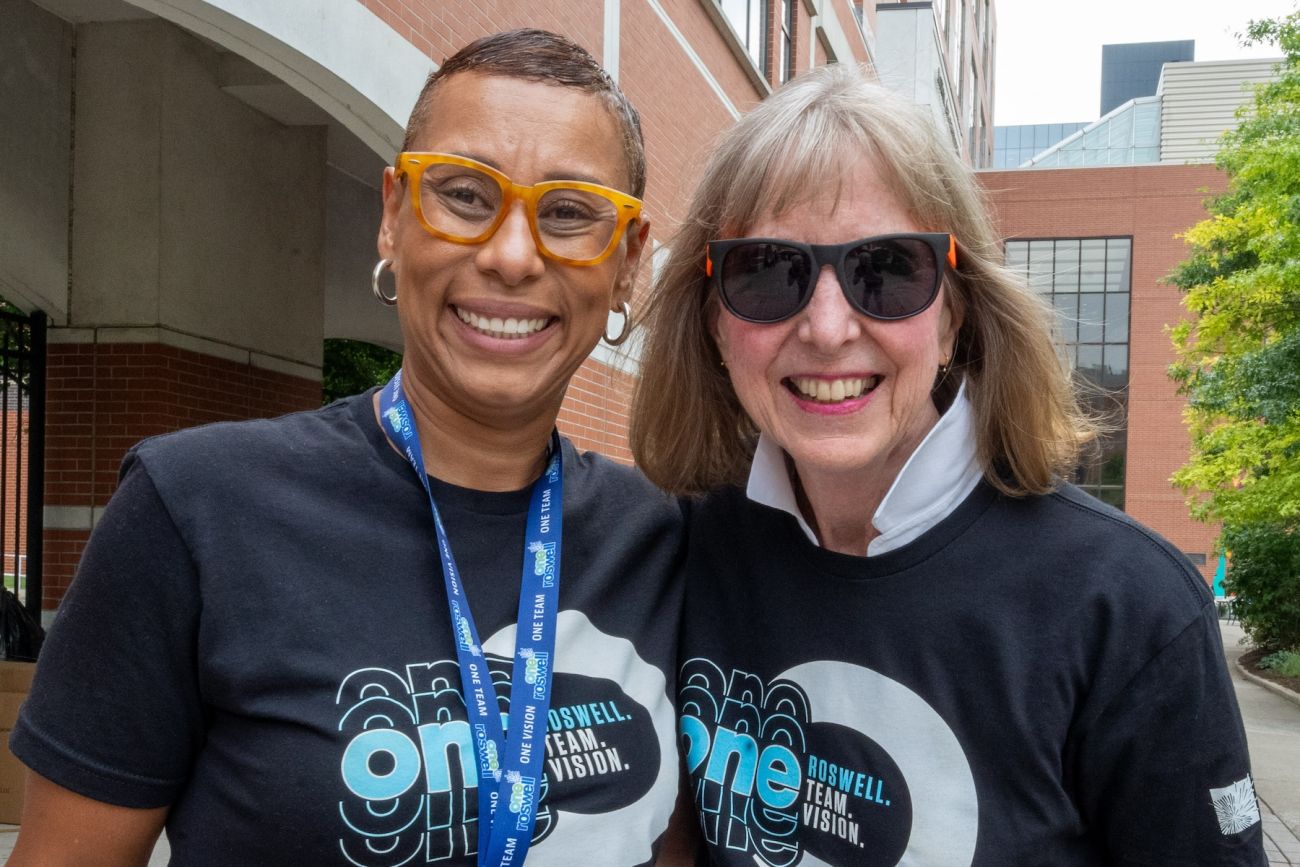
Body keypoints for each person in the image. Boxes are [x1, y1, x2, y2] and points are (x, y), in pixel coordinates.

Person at [10, 30, 692, 866]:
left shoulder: (661, 542)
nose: (513, 256)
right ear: (394, 216)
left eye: (569, 213)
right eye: (466, 196)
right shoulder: (196, 507)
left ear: (625, 263)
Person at [631, 63, 1265, 866]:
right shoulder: (682, 549)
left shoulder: (1128, 609)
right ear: (715, 321)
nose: (828, 328)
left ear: (957, 311)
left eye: (887, 270)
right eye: (768, 270)